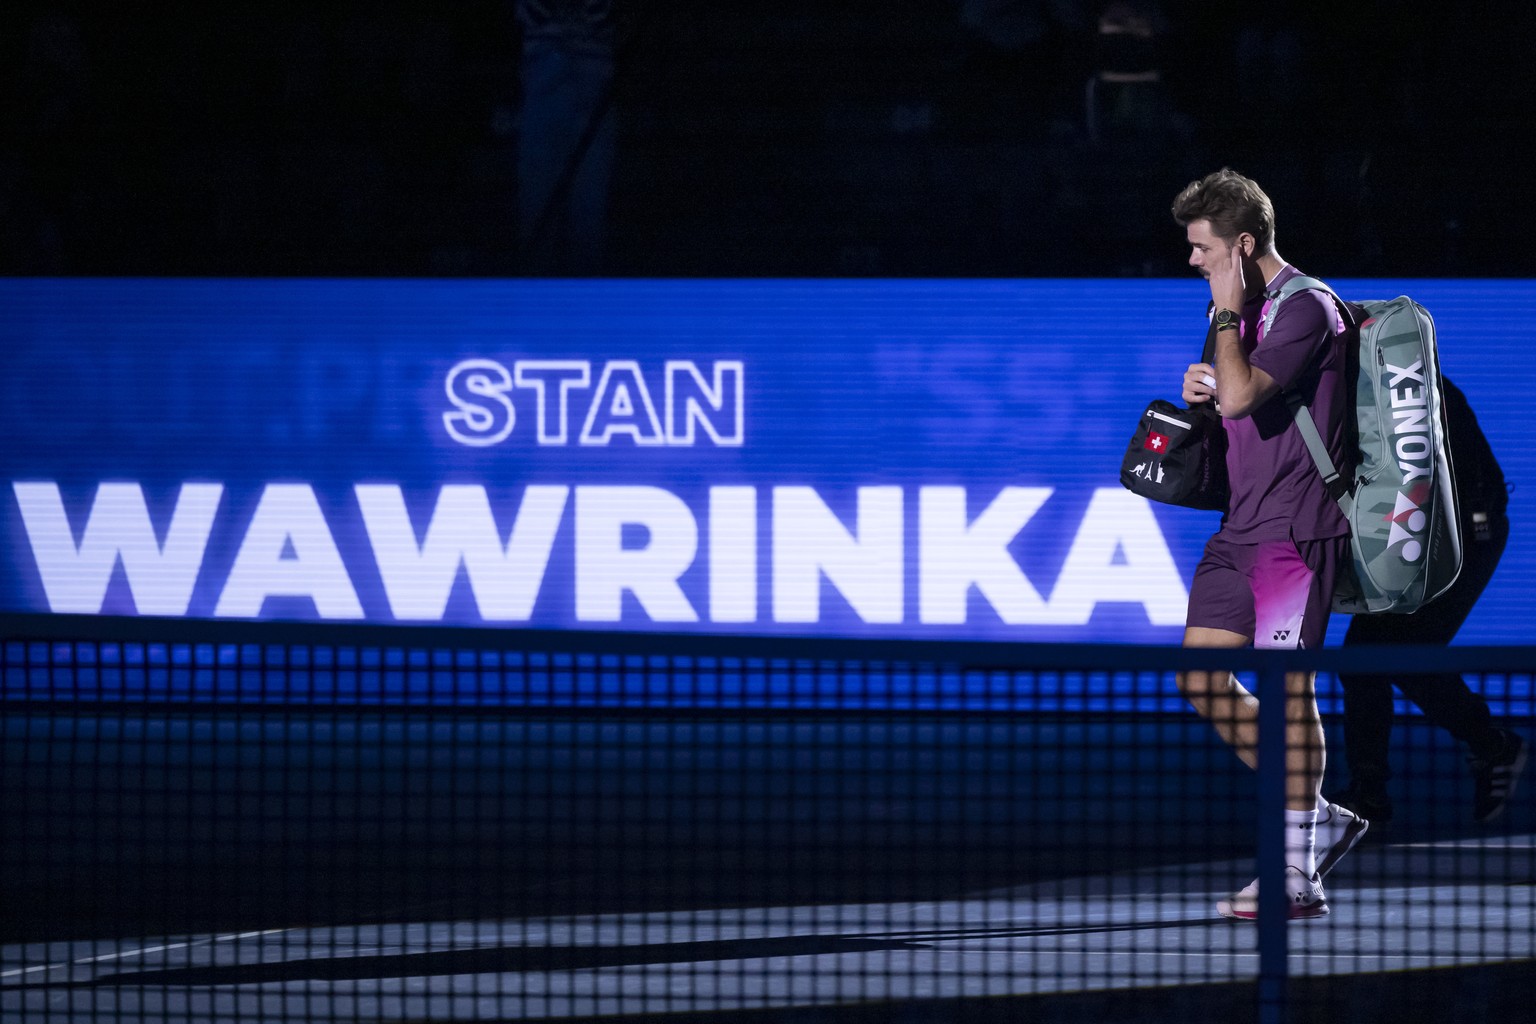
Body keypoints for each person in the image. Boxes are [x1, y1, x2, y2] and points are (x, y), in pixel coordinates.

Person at [1171, 168, 1367, 921]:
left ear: (1243, 244)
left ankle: (1295, 870)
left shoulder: (1308, 307)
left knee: (1288, 690)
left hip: (1296, 531)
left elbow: (1247, 393)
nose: (1193, 260)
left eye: (1203, 248)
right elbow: (1230, 402)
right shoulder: (1235, 312)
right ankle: (1319, 816)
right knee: (1200, 679)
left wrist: (1225, 329)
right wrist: (1201, 386)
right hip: (1239, 529)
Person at [1330, 377, 1525, 828]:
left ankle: (1491, 747)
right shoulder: (1344, 386)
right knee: (1365, 660)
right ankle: (1370, 793)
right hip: (1410, 543)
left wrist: (1473, 524)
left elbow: (1475, 484)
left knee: (1394, 658)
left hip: (1461, 543)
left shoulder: (1417, 386)